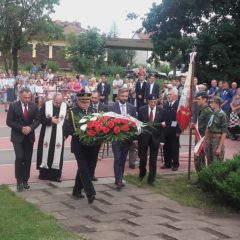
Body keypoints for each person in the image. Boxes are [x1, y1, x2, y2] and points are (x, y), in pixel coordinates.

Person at [66, 91, 100, 204]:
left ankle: (76, 190)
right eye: (83, 102)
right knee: (84, 169)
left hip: (92, 145)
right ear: (78, 101)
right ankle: (90, 193)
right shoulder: (72, 112)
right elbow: (67, 128)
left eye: (87, 102)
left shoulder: (94, 111)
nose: (85, 104)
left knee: (88, 169)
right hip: (79, 145)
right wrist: (79, 133)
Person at [6, 88, 40, 191]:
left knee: (28, 159)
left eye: (29, 97)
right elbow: (9, 122)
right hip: (17, 136)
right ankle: (19, 181)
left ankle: (25, 180)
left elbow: (38, 120)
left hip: (29, 137)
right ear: (20, 96)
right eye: (25, 97)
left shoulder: (34, 106)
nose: (27, 99)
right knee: (20, 157)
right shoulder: (13, 106)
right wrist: (21, 128)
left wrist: (30, 127)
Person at [108, 87, 136, 189]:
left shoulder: (131, 107)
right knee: (118, 158)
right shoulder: (112, 107)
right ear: (118, 96)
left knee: (123, 159)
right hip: (116, 138)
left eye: (126, 96)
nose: (125, 98)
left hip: (127, 139)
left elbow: (134, 123)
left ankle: (119, 178)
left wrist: (133, 138)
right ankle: (118, 180)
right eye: (123, 96)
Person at [37, 93, 68, 182]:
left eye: (60, 103)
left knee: (57, 154)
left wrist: (65, 134)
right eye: (56, 102)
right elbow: (40, 119)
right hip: (46, 134)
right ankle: (44, 174)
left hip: (59, 135)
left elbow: (67, 122)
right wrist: (50, 120)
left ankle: (56, 175)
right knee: (46, 152)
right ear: (53, 100)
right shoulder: (46, 105)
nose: (58, 105)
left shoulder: (65, 107)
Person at [138, 95, 165, 185]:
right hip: (143, 138)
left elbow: (163, 127)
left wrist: (162, 140)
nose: (153, 103)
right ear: (148, 101)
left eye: (154, 101)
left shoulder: (161, 111)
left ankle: (151, 179)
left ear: (156, 101)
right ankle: (142, 173)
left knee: (153, 160)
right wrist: (136, 138)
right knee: (142, 158)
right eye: (151, 101)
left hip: (155, 138)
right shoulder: (142, 109)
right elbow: (138, 124)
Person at [161, 88, 182, 171]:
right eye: (168, 94)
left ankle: (175, 164)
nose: (168, 96)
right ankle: (167, 163)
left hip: (174, 130)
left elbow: (181, 120)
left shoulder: (178, 105)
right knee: (166, 148)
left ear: (175, 96)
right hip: (166, 130)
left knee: (174, 148)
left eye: (170, 94)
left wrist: (178, 131)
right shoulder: (166, 104)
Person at [90, 90, 108, 181]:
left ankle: (92, 173)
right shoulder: (88, 106)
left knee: (94, 156)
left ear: (99, 97)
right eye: (92, 97)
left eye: (95, 98)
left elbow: (107, 121)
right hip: (89, 135)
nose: (93, 99)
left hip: (99, 136)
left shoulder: (104, 107)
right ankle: (86, 173)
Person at [192, 92, 212, 174]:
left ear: (205, 99)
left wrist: (205, 141)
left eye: (199, 99)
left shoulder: (208, 111)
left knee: (199, 159)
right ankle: (200, 178)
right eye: (196, 99)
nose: (197, 101)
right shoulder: (201, 109)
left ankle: (202, 179)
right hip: (199, 138)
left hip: (203, 139)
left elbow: (209, 127)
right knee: (198, 160)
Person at [205, 96, 228, 163]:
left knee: (217, 162)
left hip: (217, 141)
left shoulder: (222, 115)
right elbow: (208, 128)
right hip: (210, 140)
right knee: (209, 161)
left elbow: (224, 132)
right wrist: (205, 142)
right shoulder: (212, 114)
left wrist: (219, 147)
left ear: (217, 104)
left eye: (212, 102)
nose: (210, 104)